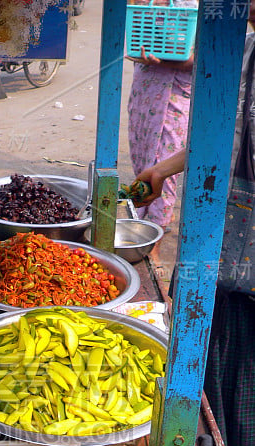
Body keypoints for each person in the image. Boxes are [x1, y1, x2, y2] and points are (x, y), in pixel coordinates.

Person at [134, 21, 255, 446]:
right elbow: (215, 132)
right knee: (213, 340)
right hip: (221, 233)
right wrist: (161, 170)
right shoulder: (239, 49)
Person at [126, 0, 197, 260]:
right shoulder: (145, 4)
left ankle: (153, 237)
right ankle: (146, 220)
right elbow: (136, 44)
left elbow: (200, 59)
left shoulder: (196, 7)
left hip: (175, 95)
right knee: (143, 159)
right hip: (146, 90)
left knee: (162, 167)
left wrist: (170, 60)